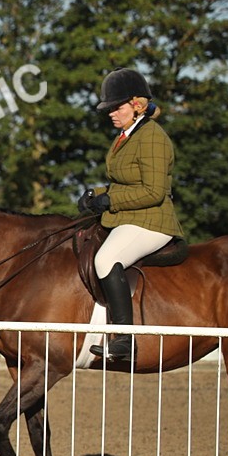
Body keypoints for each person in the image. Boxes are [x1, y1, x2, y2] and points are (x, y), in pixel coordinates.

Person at [78, 67, 184, 362]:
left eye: (116, 107)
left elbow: (153, 191)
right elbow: (124, 181)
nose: (111, 113)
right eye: (109, 108)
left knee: (106, 258)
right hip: (131, 216)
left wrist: (109, 200)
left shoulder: (152, 136)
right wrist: (95, 194)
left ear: (136, 105)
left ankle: (124, 340)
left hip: (152, 219)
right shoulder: (127, 135)